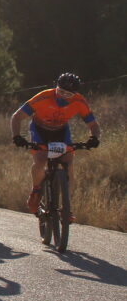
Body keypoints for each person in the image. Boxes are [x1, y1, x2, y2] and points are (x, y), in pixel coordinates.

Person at [10, 72, 100, 214]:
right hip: (39, 129)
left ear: (75, 94)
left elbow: (93, 125)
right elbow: (17, 117)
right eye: (61, 91)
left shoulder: (80, 101)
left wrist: (94, 138)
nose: (63, 96)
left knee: (69, 163)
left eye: (68, 94)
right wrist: (17, 136)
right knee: (40, 160)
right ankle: (36, 190)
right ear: (55, 87)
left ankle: (66, 207)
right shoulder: (43, 97)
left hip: (61, 131)